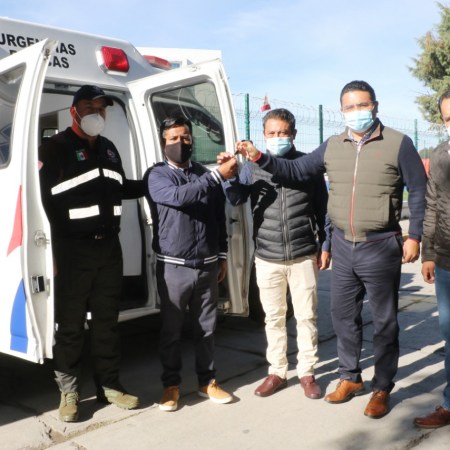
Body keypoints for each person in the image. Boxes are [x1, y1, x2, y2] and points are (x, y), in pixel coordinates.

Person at [235, 80, 427, 418]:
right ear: (341, 111)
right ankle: (349, 377)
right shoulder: (332, 146)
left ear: (374, 106)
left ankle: (382, 387)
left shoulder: (399, 143)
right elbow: (295, 169)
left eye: (362, 105)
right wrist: (259, 157)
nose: (356, 112)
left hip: (380, 245)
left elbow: (420, 190)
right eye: (350, 107)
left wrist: (415, 236)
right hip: (343, 245)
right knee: (342, 317)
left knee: (384, 322)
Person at [39, 85, 145, 422]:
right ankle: (69, 392)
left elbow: (120, 187)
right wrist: (49, 253)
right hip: (72, 251)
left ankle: (109, 386)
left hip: (108, 249)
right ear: (74, 111)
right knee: (70, 326)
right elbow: (41, 204)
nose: (96, 113)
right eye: (89, 107)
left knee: (106, 323)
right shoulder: (54, 148)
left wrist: (153, 181)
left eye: (101, 108)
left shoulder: (109, 148)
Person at [218, 108, 331, 399]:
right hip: (267, 256)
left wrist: (325, 245)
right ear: (263, 135)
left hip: (303, 253)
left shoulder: (307, 165)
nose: (277, 137)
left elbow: (323, 209)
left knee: (306, 317)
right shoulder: (251, 167)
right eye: (271, 133)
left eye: (283, 132)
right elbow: (236, 198)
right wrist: (230, 175)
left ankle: (307, 372)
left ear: (293, 134)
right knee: (273, 318)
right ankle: (277, 372)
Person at [145, 116, 238, 412]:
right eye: (173, 138)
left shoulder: (204, 174)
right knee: (171, 331)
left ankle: (207, 382)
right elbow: (178, 197)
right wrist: (215, 176)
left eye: (185, 137)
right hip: (174, 267)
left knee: (206, 329)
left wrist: (222, 255)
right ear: (163, 143)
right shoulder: (157, 175)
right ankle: (171, 386)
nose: (180, 143)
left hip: (207, 266)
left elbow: (218, 217)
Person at [414, 90, 450, 429]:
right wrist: (428, 253)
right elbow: (433, 206)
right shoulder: (440, 155)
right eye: (449, 118)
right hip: (446, 261)